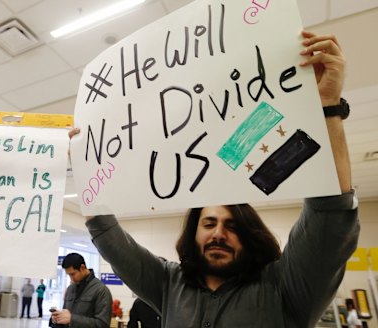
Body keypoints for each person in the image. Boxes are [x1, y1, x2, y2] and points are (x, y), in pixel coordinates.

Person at [77, 31, 360, 327]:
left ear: (250, 236)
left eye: (232, 225)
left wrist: (328, 106)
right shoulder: (169, 283)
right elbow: (111, 240)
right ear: (193, 233)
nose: (218, 234)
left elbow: (330, 215)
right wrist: (85, 164)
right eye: (209, 223)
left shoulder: (284, 287)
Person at [50, 253, 112, 328]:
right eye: (68, 275)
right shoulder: (70, 289)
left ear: (82, 267)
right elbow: (66, 320)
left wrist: (72, 319)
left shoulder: (101, 290)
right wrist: (57, 319)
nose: (71, 278)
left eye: (73, 274)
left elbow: (103, 324)